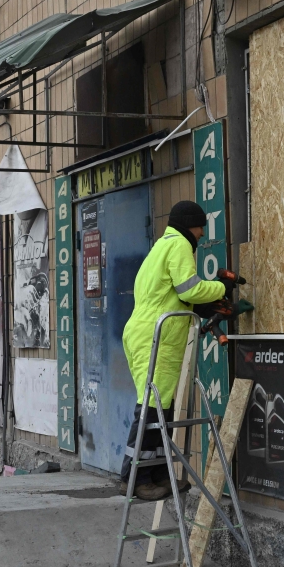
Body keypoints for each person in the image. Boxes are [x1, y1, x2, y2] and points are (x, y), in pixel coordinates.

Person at [119, 201, 231, 500]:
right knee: (152, 407)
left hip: (148, 333)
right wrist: (220, 288)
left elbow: (175, 295)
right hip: (158, 337)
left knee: (161, 408)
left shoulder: (162, 245)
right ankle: (134, 477)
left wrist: (203, 305)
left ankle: (156, 473)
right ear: (188, 225)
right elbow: (189, 289)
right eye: (199, 228)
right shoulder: (180, 244)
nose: (201, 235)